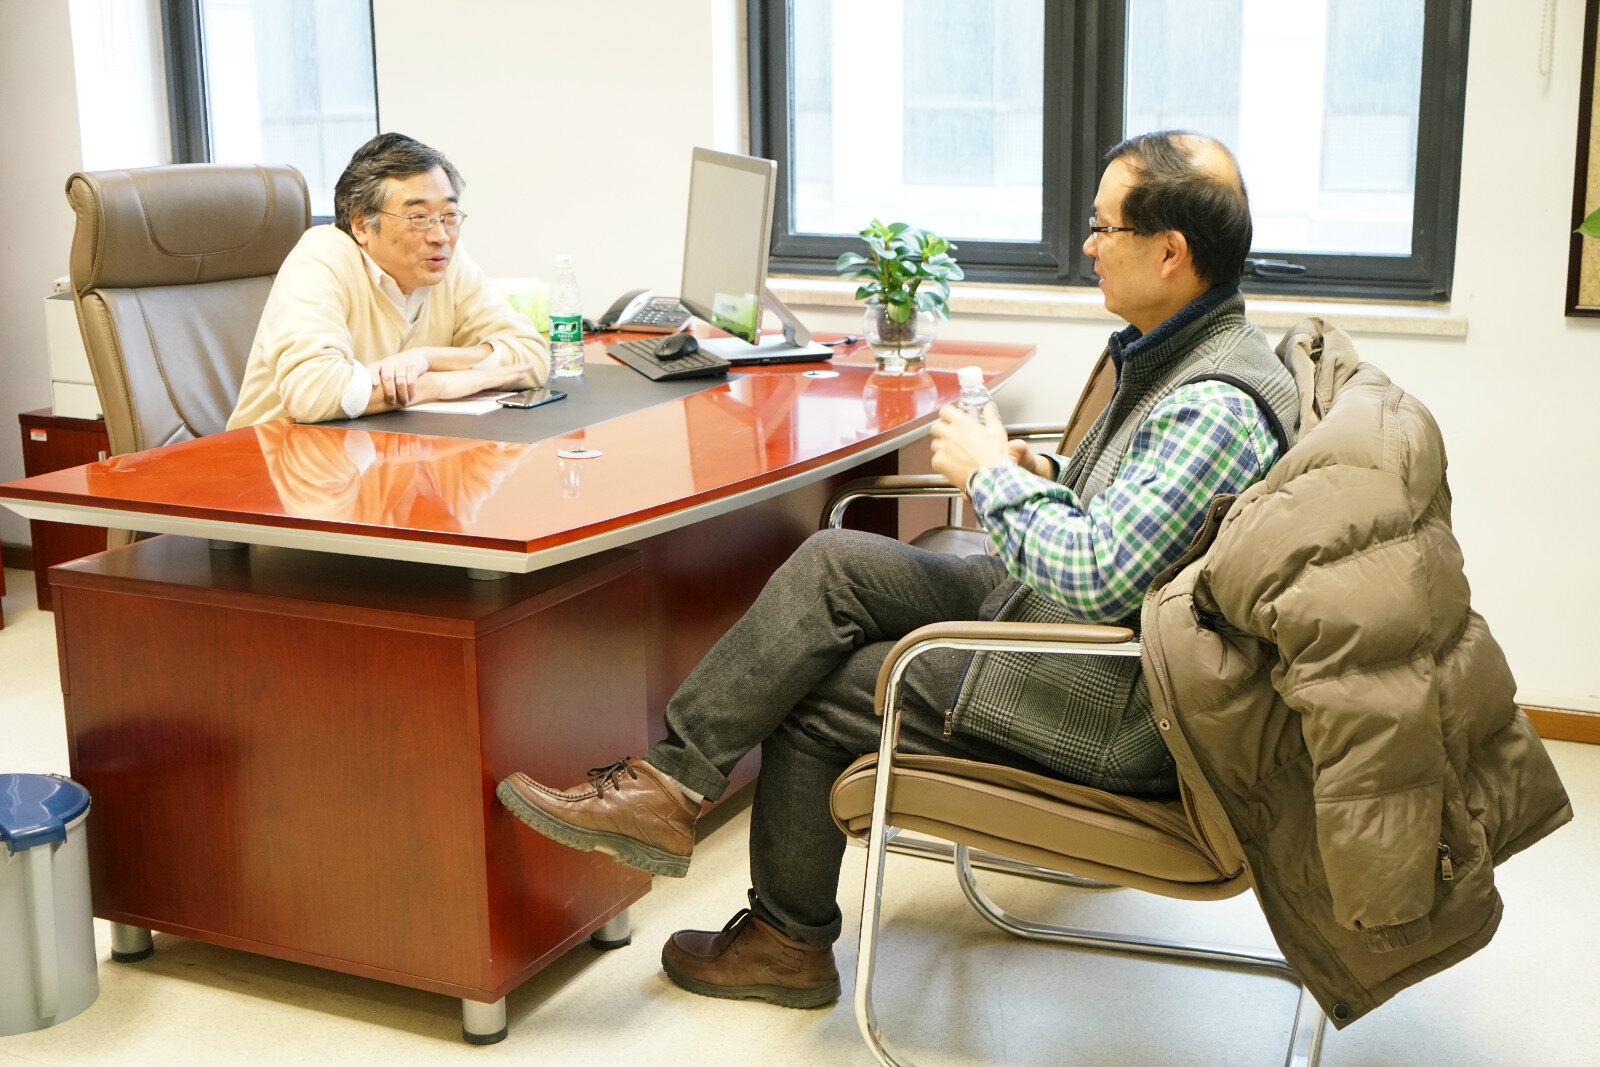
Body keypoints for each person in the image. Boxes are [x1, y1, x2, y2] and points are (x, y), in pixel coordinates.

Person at [496, 130, 1302, 1009]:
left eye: (1105, 227)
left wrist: (988, 477)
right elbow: (1145, 517)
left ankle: (785, 942)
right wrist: (1044, 471)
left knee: (816, 686)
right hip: (1058, 623)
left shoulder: (1211, 402)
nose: (1089, 245)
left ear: (1171, 252)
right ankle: (671, 784)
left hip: (1102, 694)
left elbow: (1104, 574)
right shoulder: (1185, 350)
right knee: (834, 561)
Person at [228, 133, 547, 429]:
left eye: (449, 216)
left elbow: (531, 356)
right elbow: (313, 392)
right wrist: (435, 384)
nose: (440, 236)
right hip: (272, 459)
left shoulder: (446, 262)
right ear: (361, 225)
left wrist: (427, 359)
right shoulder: (322, 257)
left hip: (379, 452)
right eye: (419, 218)